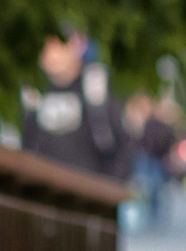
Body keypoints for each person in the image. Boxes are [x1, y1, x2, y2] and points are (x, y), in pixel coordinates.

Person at [21, 32, 128, 181]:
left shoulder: (95, 88)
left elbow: (123, 142)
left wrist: (109, 187)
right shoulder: (33, 91)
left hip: (89, 190)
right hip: (43, 189)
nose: (51, 52)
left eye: (58, 44)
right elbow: (27, 143)